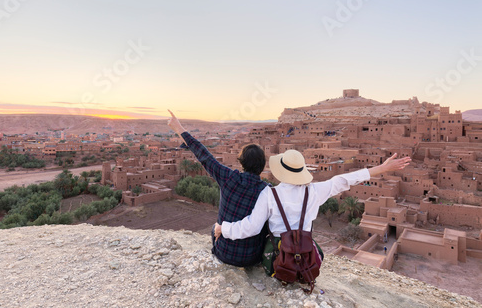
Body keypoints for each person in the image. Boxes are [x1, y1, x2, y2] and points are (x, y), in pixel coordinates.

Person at [214, 149, 411, 271]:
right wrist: (382, 169)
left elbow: (252, 227)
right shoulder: (314, 192)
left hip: (278, 260)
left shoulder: (269, 194)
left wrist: (224, 229)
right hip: (306, 257)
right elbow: (346, 180)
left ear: (280, 170)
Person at [167, 110, 269, 267]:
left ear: (241, 162)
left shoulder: (228, 178)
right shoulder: (267, 190)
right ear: (262, 166)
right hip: (252, 257)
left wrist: (179, 128)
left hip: (224, 253)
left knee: (216, 227)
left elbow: (204, 155)